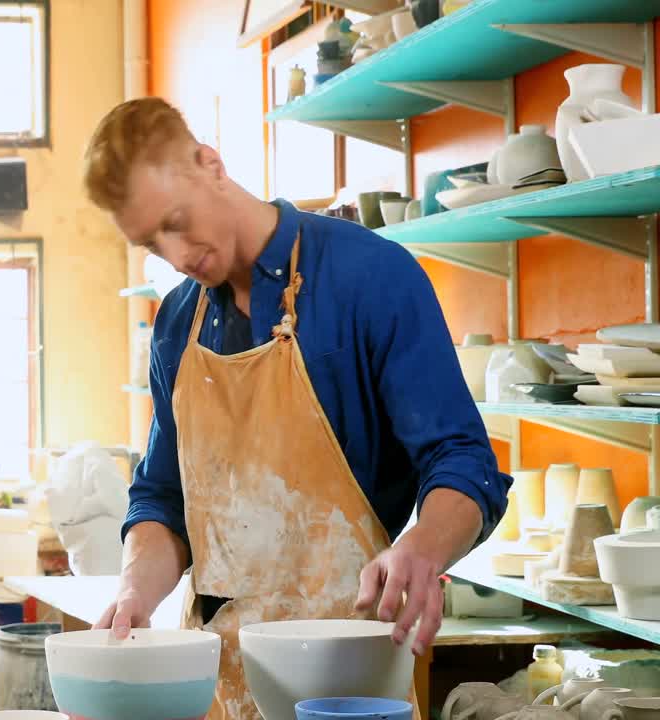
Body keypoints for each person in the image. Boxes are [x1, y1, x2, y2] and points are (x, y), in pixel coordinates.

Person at [83, 98, 510, 718]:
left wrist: (422, 547)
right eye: (150, 241)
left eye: (176, 221)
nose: (175, 256)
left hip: (351, 679)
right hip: (221, 687)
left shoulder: (370, 277)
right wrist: (134, 589)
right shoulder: (179, 324)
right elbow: (163, 497)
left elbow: (463, 460)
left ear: (211, 164)